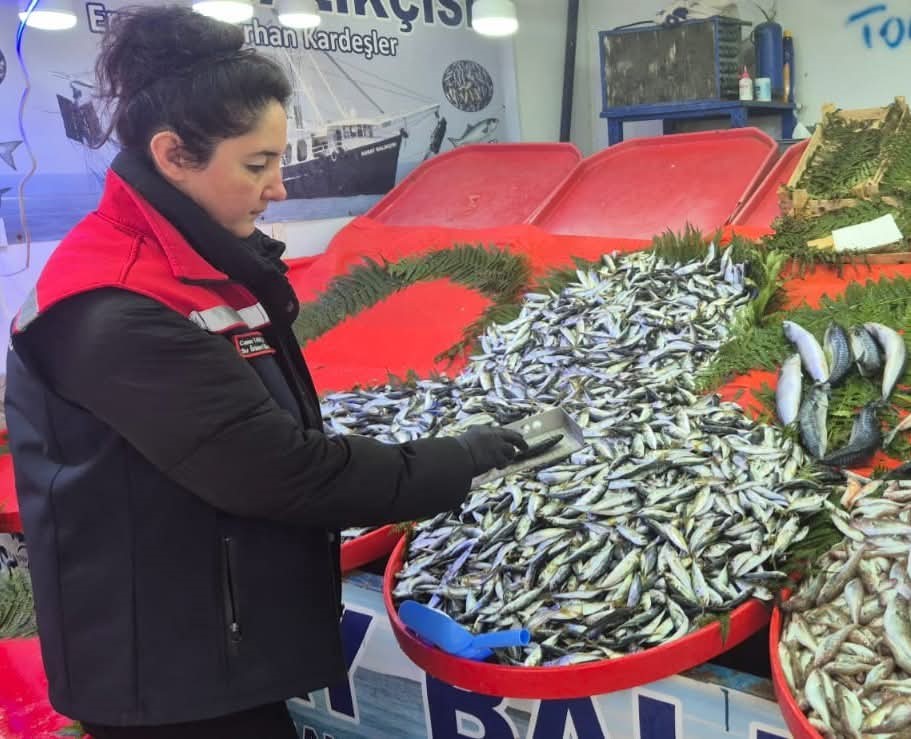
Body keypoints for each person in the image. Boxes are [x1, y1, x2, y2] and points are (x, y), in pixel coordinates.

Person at [3, 6, 526, 738]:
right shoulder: (115, 307)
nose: (278, 188)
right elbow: (281, 472)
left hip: (214, 646)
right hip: (165, 677)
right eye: (257, 164)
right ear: (174, 155)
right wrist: (456, 460)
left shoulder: (192, 266)